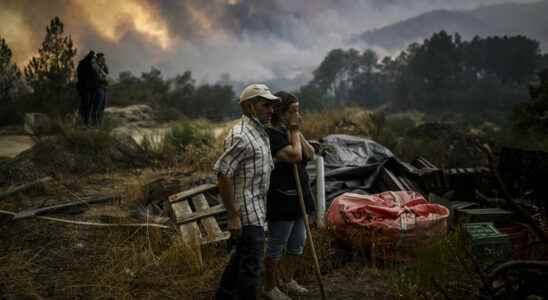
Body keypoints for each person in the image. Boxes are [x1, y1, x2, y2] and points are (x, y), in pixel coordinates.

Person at [214, 83, 281, 300]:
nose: (271, 110)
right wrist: (233, 215)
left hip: (258, 210)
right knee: (251, 270)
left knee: (241, 261)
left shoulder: (260, 132)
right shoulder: (241, 135)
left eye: (272, 106)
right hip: (246, 214)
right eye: (265, 105)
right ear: (250, 107)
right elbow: (223, 172)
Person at [263, 91, 316, 300]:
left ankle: (289, 280)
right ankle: (270, 287)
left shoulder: (289, 131)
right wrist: (293, 129)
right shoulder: (271, 134)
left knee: (298, 242)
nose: (297, 114)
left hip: (300, 196)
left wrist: (295, 130)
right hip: (282, 198)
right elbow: (295, 156)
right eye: (293, 110)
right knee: (277, 244)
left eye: (298, 109)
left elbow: (309, 153)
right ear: (281, 112)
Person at [76, 51, 97, 125]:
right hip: (86, 89)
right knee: (86, 106)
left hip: (89, 88)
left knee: (87, 106)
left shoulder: (85, 64)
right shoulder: (87, 64)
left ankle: (85, 121)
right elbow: (81, 76)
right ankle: (85, 122)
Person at [90, 52, 109, 126]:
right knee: (97, 106)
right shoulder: (94, 65)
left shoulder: (102, 65)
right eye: (101, 57)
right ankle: (94, 124)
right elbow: (95, 76)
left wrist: (104, 64)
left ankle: (99, 123)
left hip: (103, 87)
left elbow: (107, 72)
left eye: (103, 58)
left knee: (102, 106)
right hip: (97, 87)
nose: (102, 59)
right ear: (98, 58)